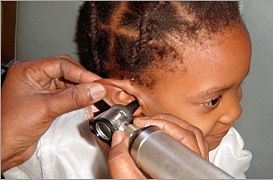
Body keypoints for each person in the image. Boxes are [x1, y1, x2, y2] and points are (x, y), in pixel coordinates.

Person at [3, 1, 252, 179]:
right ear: (127, 99)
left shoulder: (219, 149)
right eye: (213, 100)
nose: (235, 112)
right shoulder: (49, 148)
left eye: (239, 86)